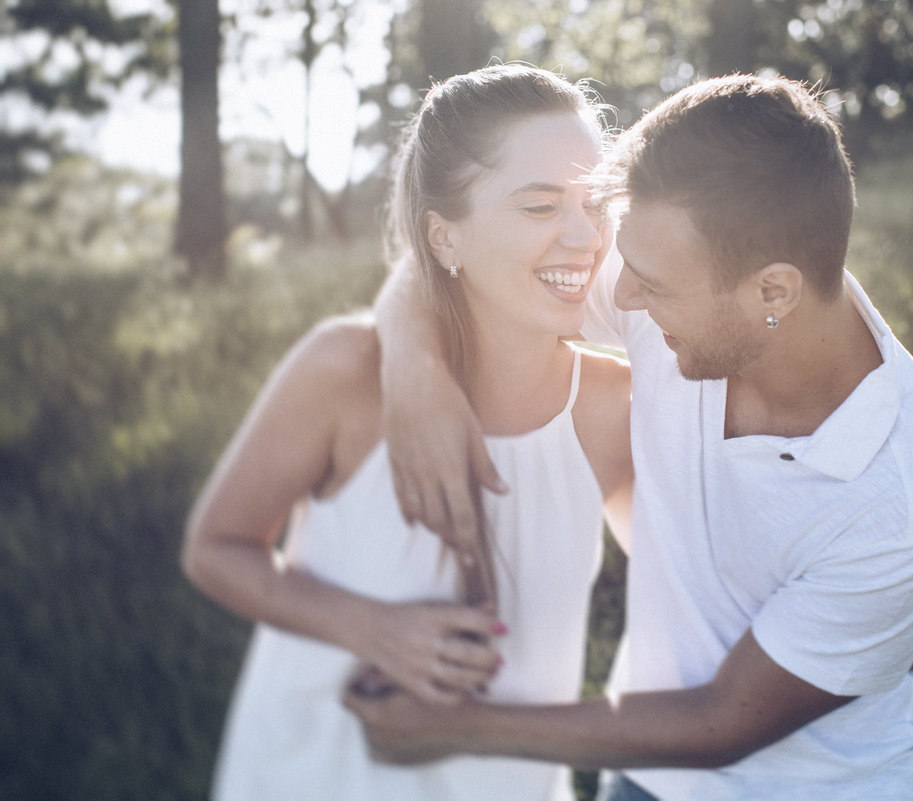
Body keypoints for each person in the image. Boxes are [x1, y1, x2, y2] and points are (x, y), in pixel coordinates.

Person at [346, 73, 913, 800]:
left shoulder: (907, 501)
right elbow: (460, 260)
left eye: (650, 285)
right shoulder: (673, 267)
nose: (620, 297)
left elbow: (721, 724)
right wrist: (415, 372)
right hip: (641, 767)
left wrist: (452, 725)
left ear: (774, 293)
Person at [180, 64, 637, 801]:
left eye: (595, 203)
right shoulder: (345, 370)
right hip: (315, 775)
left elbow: (700, 590)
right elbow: (216, 548)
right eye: (540, 205)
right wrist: (372, 628)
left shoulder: (614, 404)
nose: (586, 237)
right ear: (444, 235)